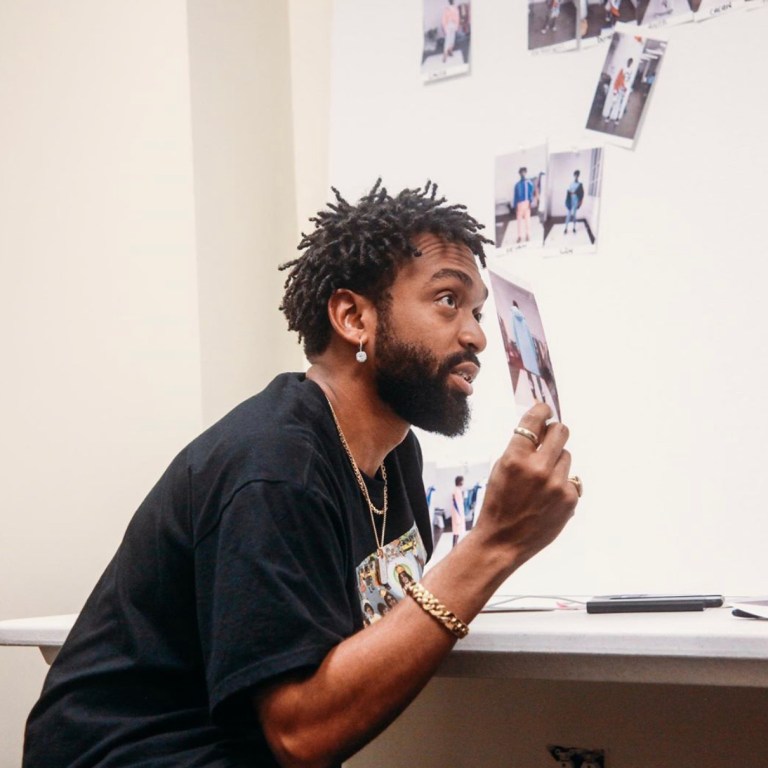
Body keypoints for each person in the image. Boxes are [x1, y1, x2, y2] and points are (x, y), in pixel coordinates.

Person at [23, 180, 579, 768]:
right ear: (353, 317)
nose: (477, 336)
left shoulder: (395, 456)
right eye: (448, 300)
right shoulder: (275, 465)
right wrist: (495, 543)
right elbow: (301, 734)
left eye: (477, 312)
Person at [510, 300, 548, 406]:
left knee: (528, 372)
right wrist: (534, 350)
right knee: (536, 372)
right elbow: (529, 335)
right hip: (530, 349)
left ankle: (534, 394)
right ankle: (543, 395)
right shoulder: (523, 319)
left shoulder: (513, 318)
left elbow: (515, 334)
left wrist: (518, 347)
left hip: (523, 349)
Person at [603, 58, 633, 125]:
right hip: (618, 88)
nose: (629, 63)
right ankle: (608, 116)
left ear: (631, 64)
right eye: (629, 62)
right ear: (627, 62)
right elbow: (617, 79)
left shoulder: (631, 71)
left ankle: (617, 118)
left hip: (624, 89)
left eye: (630, 62)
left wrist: (627, 89)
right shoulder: (622, 69)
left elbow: (629, 81)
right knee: (614, 102)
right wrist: (615, 89)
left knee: (620, 104)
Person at [512, 167, 536, 243]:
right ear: (519, 174)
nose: (522, 173)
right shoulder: (517, 185)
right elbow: (515, 196)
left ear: (526, 173)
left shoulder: (529, 183)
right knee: (519, 221)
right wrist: (515, 206)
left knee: (527, 220)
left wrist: (530, 203)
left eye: (524, 172)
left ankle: (528, 235)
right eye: (521, 172)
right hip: (519, 204)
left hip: (526, 203)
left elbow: (531, 193)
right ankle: (519, 236)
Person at [564, 170, 584, 234]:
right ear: (574, 175)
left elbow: (582, 193)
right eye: (575, 175)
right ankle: (566, 228)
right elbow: (569, 192)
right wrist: (570, 193)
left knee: (574, 214)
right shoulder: (571, 184)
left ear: (578, 176)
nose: (576, 176)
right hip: (571, 200)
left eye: (577, 175)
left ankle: (574, 228)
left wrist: (580, 201)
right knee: (568, 214)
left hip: (576, 200)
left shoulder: (580, 184)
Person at [450, 475, 466, 548]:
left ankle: (455, 545)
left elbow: (460, 502)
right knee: (456, 531)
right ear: (459, 482)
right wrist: (458, 515)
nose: (463, 482)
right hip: (457, 513)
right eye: (462, 481)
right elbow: (455, 503)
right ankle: (454, 546)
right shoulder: (456, 490)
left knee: (458, 531)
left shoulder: (458, 490)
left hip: (459, 513)